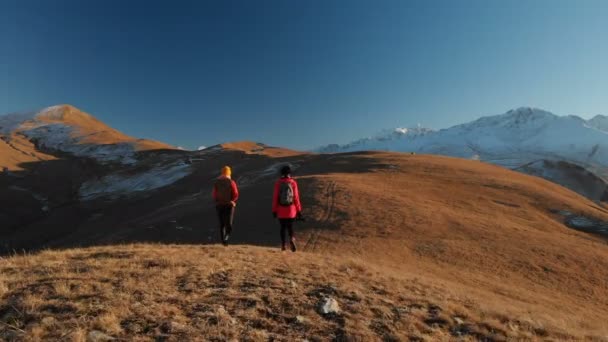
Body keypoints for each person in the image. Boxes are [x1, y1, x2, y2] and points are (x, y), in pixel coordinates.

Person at [272, 165, 303, 252]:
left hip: (281, 209)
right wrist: (299, 210)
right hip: (291, 209)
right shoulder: (293, 183)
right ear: (289, 173)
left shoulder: (278, 183)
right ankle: (292, 238)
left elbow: (275, 198)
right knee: (290, 227)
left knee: (282, 227)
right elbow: (296, 197)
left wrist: (274, 210)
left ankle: (283, 245)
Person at [212, 166, 239, 245]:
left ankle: (223, 241)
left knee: (222, 224)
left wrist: (217, 201)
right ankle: (226, 238)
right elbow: (236, 194)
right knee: (229, 224)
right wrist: (232, 201)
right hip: (229, 205)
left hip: (219, 205)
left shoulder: (217, 182)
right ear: (229, 173)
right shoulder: (231, 182)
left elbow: (214, 194)